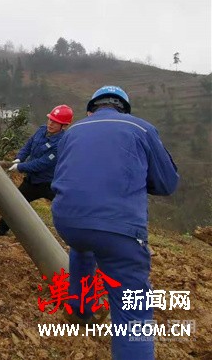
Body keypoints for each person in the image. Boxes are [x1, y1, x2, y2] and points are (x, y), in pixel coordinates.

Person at [51, 86, 179, 360]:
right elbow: (167, 183)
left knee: (83, 245)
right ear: (124, 109)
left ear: (92, 108)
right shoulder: (142, 129)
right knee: (134, 308)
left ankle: (81, 308)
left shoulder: (72, 131)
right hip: (119, 229)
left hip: (67, 221)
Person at [0, 105, 74, 236]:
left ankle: (76, 236)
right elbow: (28, 145)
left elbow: (41, 164)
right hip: (32, 181)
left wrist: (20, 167)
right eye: (50, 120)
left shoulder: (61, 143)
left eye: (56, 122)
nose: (51, 123)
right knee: (15, 203)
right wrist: (19, 158)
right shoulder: (41, 130)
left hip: (49, 183)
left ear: (64, 126)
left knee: (66, 208)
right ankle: (1, 230)